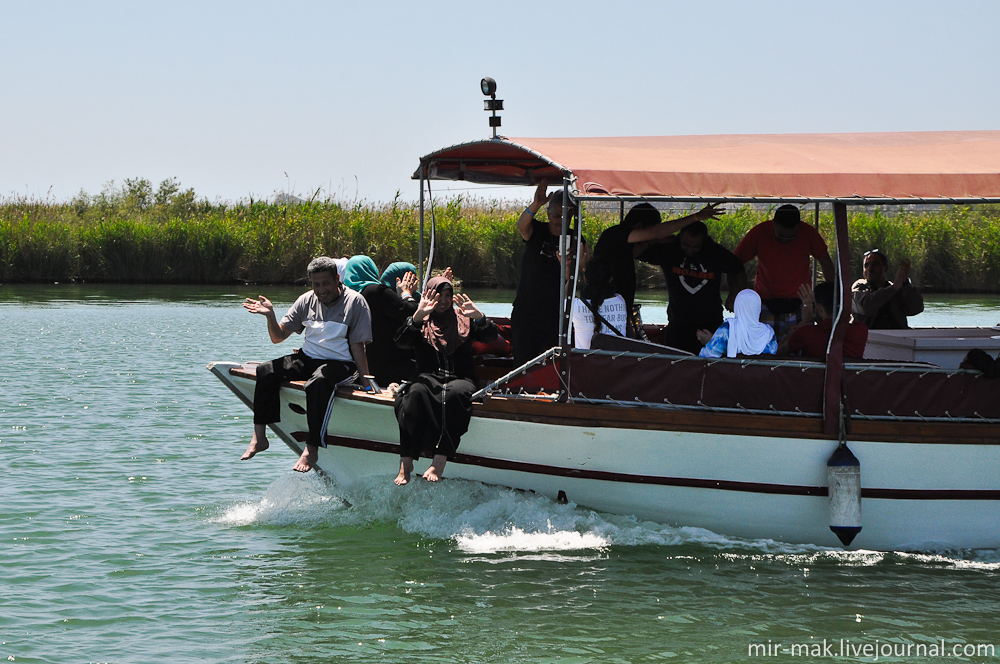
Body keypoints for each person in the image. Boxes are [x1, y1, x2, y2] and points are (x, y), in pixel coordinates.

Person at [241, 256, 373, 473]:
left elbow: (359, 347)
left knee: (318, 382)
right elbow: (278, 337)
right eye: (316, 284)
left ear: (337, 279)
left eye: (326, 283)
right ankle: (260, 437)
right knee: (265, 370)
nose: (321, 290)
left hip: (342, 363)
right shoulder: (306, 300)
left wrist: (367, 383)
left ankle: (311, 447)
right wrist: (270, 316)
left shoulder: (355, 302)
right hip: (308, 357)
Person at [393, 276, 498, 485]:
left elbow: (490, 336)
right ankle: (406, 461)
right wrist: (417, 316)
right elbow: (401, 342)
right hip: (427, 377)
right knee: (414, 394)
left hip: (460, 377)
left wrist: (479, 317)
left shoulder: (464, 318)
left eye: (448, 296)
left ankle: (439, 461)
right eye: (438, 296)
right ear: (428, 296)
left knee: (454, 394)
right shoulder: (421, 319)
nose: (443, 300)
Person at [593, 201, 726, 315]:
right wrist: (696, 217)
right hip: (607, 306)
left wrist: (652, 242)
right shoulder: (616, 234)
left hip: (617, 307)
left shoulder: (617, 239)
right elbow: (656, 232)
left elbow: (633, 253)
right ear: (640, 227)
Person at [641, 221, 747, 354]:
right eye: (686, 245)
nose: (690, 250)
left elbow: (738, 269)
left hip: (710, 322)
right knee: (677, 365)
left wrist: (736, 295)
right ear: (680, 237)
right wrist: (657, 238)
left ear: (704, 242)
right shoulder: (669, 250)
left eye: (696, 247)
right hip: (678, 323)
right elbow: (636, 251)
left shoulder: (714, 252)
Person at [510, 180, 585, 366]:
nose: (561, 220)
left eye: (567, 216)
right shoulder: (537, 230)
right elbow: (521, 227)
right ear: (548, 213)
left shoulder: (576, 239)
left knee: (553, 367)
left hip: (556, 317)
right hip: (525, 312)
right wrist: (537, 203)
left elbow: (576, 282)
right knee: (522, 364)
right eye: (557, 215)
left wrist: (566, 266)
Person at [734, 205, 836, 338]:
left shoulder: (808, 233)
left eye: (790, 238)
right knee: (764, 348)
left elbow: (827, 264)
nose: (785, 240)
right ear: (774, 224)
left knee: (800, 347)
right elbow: (734, 263)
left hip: (800, 302)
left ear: (798, 227)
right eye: (780, 236)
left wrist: (831, 298)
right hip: (765, 302)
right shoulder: (760, 232)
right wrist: (735, 294)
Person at [343, 255, 419, 385]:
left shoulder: (345, 296)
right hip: (389, 367)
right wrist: (406, 293)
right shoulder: (377, 291)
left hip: (359, 367)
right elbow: (412, 313)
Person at [780, 282, 868, 358]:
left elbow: (777, 351)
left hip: (815, 377)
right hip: (848, 377)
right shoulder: (860, 330)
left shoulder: (806, 333)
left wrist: (805, 321)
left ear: (820, 308)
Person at [851, 249, 924, 329]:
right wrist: (894, 287)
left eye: (875, 264)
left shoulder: (896, 290)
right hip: (869, 338)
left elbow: (916, 308)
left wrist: (905, 283)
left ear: (886, 268)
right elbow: (865, 307)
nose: (870, 268)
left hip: (898, 337)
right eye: (866, 265)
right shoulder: (859, 287)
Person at [697, 289, 777, 358]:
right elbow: (771, 355)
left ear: (737, 306)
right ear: (758, 309)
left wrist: (708, 342)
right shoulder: (768, 333)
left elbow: (709, 355)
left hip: (733, 374)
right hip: (760, 375)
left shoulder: (728, 328)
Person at [571, 257, 629, 349]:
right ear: (610, 279)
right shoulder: (620, 301)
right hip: (616, 363)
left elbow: (564, 295)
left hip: (585, 363)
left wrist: (576, 270)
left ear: (585, 279)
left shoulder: (576, 306)